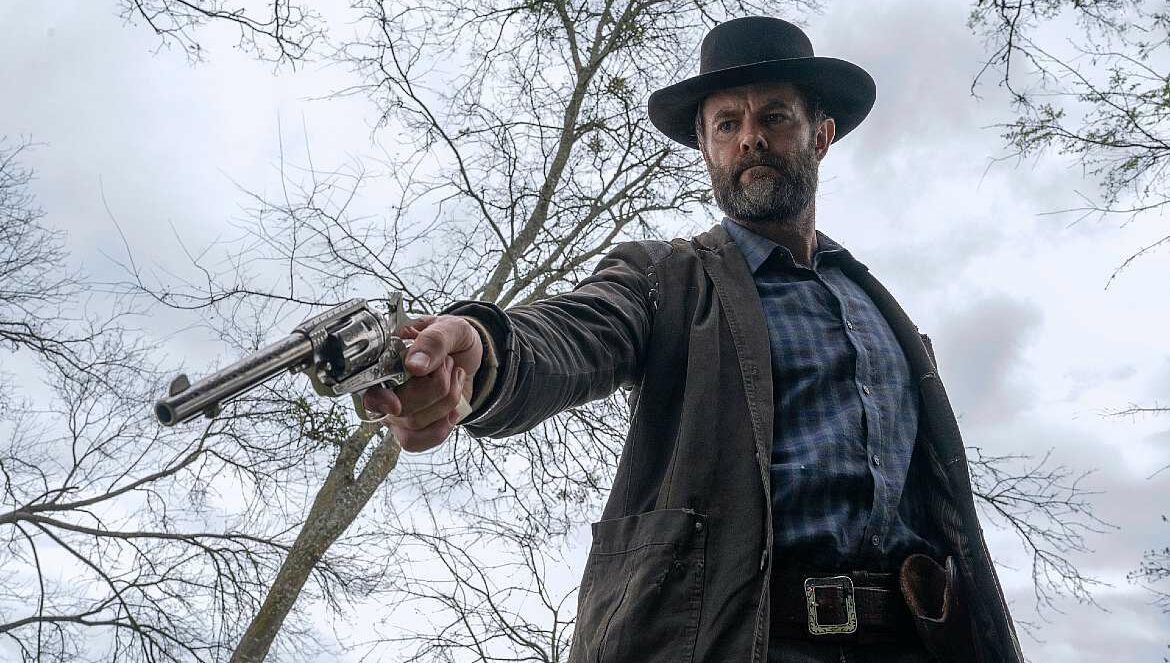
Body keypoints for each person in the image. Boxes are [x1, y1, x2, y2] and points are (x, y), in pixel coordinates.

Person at [364, 16, 1025, 663]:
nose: (750, 139)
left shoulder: (884, 312)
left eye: (774, 117)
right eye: (727, 125)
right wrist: (484, 352)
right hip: (735, 641)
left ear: (820, 136)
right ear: (706, 149)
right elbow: (576, 331)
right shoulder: (666, 278)